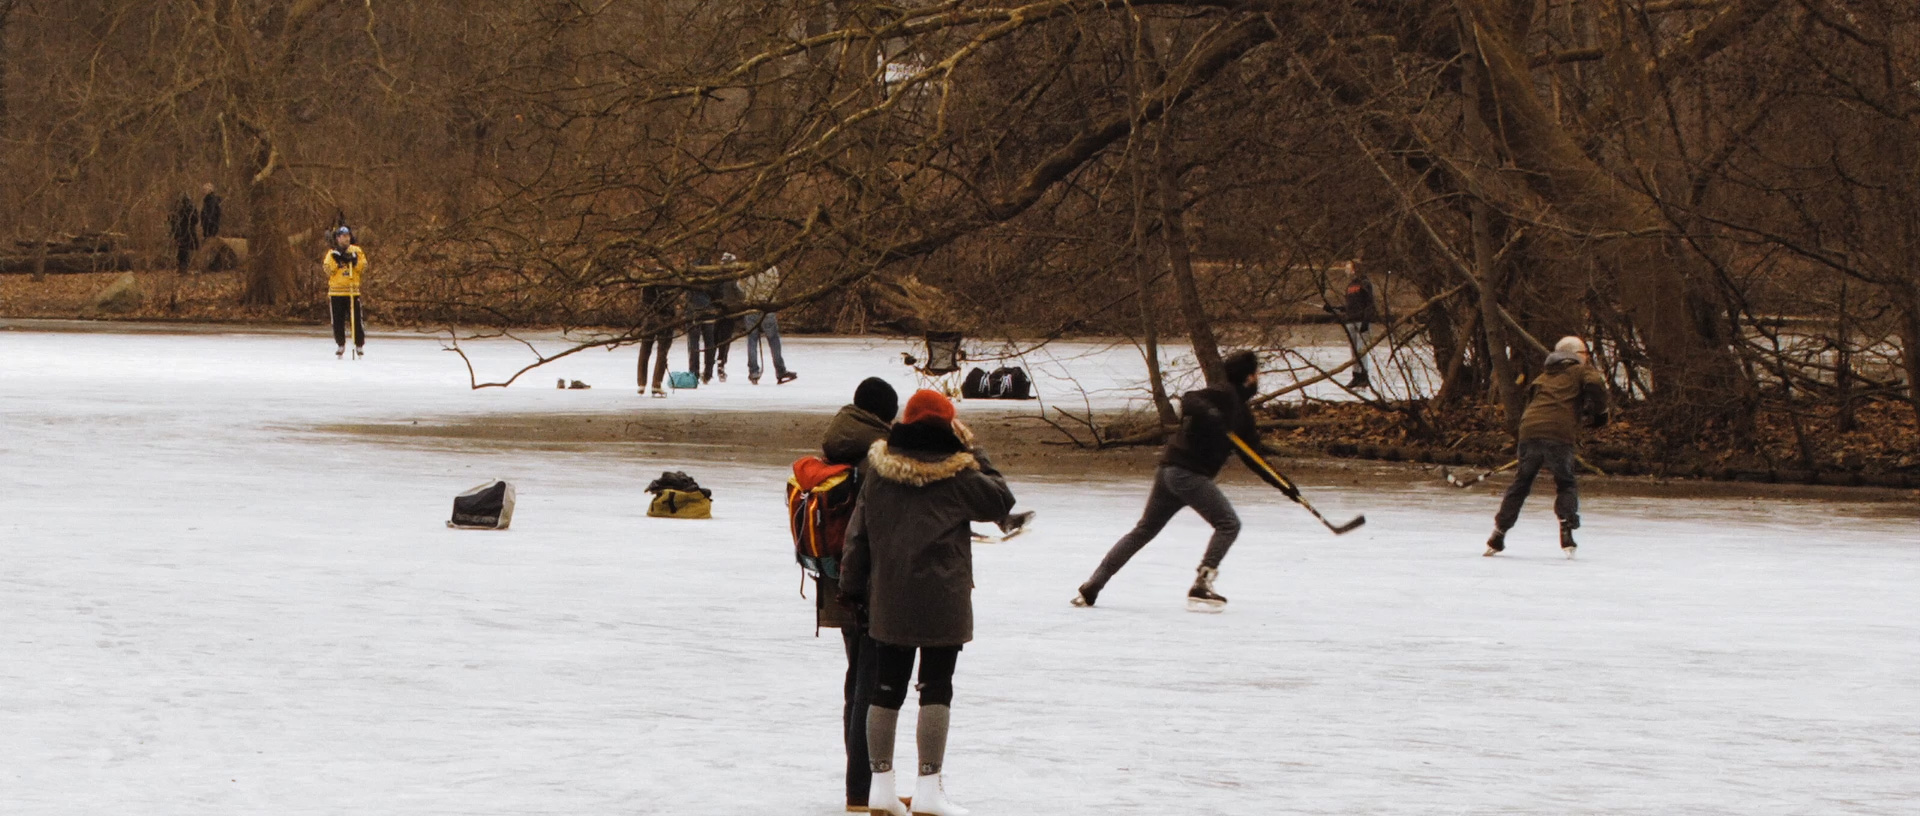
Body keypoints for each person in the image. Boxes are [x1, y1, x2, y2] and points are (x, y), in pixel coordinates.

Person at [838, 389, 1015, 816]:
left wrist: (850, 587)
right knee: (936, 688)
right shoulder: (961, 476)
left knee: (886, 690)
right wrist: (973, 449)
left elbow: (857, 536)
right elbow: (1002, 499)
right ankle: (929, 790)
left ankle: (880, 789)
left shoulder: (877, 472)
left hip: (889, 596)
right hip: (943, 598)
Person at [1071, 350, 1287, 612]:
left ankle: (1093, 585)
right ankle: (1201, 585)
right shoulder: (1222, 394)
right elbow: (1190, 400)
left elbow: (1255, 458)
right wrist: (1211, 414)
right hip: (1185, 473)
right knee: (1228, 523)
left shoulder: (1242, 415)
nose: (1257, 379)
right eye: (1256, 374)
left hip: (1172, 471)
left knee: (1144, 531)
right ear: (1249, 377)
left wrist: (1285, 486)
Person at [816, 377, 898, 812]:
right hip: (864, 583)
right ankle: (861, 793)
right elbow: (874, 527)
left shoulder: (838, 436)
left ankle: (863, 788)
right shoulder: (876, 453)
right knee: (868, 687)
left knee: (856, 684)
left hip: (835, 581)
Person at [1485, 336, 1610, 559]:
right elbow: (1596, 385)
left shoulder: (1543, 377)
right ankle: (1566, 529)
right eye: (1585, 355)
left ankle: (1498, 534)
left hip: (1529, 431)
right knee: (1565, 482)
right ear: (1576, 356)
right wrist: (1600, 413)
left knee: (1521, 483)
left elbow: (1534, 404)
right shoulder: (1581, 372)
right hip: (1558, 435)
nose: (1587, 359)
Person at [739, 262, 798, 385]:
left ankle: (753, 372)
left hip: (751, 308)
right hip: (768, 307)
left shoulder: (748, 269)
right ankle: (780, 370)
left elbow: (740, 286)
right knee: (774, 341)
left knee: (752, 340)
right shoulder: (772, 269)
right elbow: (776, 284)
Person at [1329, 259, 1379, 390]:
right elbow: (1350, 306)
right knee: (1353, 352)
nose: (1346, 269)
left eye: (1348, 266)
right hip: (1350, 321)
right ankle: (1356, 376)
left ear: (1355, 268)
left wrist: (1366, 322)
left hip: (1361, 321)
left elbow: (1369, 304)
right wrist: (1335, 308)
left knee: (1361, 351)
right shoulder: (1350, 285)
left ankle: (1364, 376)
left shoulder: (1365, 283)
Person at [322, 226, 368, 358]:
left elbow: (363, 267)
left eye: (347, 236)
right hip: (336, 292)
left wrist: (354, 262)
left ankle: (359, 344)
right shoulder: (332, 253)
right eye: (343, 236)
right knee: (338, 321)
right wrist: (337, 261)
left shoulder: (356, 250)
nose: (346, 238)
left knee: (356, 319)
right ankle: (340, 344)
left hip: (352, 291)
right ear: (338, 238)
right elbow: (328, 270)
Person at [636, 284, 678, 397]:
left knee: (644, 350)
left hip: (649, 318)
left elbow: (643, 302)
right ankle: (656, 383)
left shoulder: (646, 284)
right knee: (662, 352)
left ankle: (641, 383)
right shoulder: (669, 283)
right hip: (665, 319)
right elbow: (670, 303)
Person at [167, 194, 200, 274]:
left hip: (181, 232)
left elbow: (172, 220)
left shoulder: (177, 208)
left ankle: (183, 268)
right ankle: (184, 267)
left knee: (182, 250)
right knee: (186, 250)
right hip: (188, 232)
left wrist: (174, 231)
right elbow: (196, 220)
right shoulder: (191, 208)